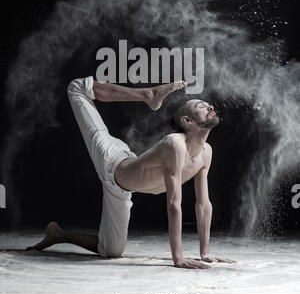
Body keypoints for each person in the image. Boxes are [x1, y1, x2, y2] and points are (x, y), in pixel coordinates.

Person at [26, 76, 235, 269]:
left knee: (111, 251)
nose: (210, 106)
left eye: (208, 105)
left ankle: (58, 235)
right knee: (77, 88)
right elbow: (173, 204)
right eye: (201, 106)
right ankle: (146, 94)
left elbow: (203, 204)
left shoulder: (206, 152)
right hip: (111, 160)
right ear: (187, 121)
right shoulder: (175, 144)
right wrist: (178, 258)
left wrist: (205, 252)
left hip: (121, 190)